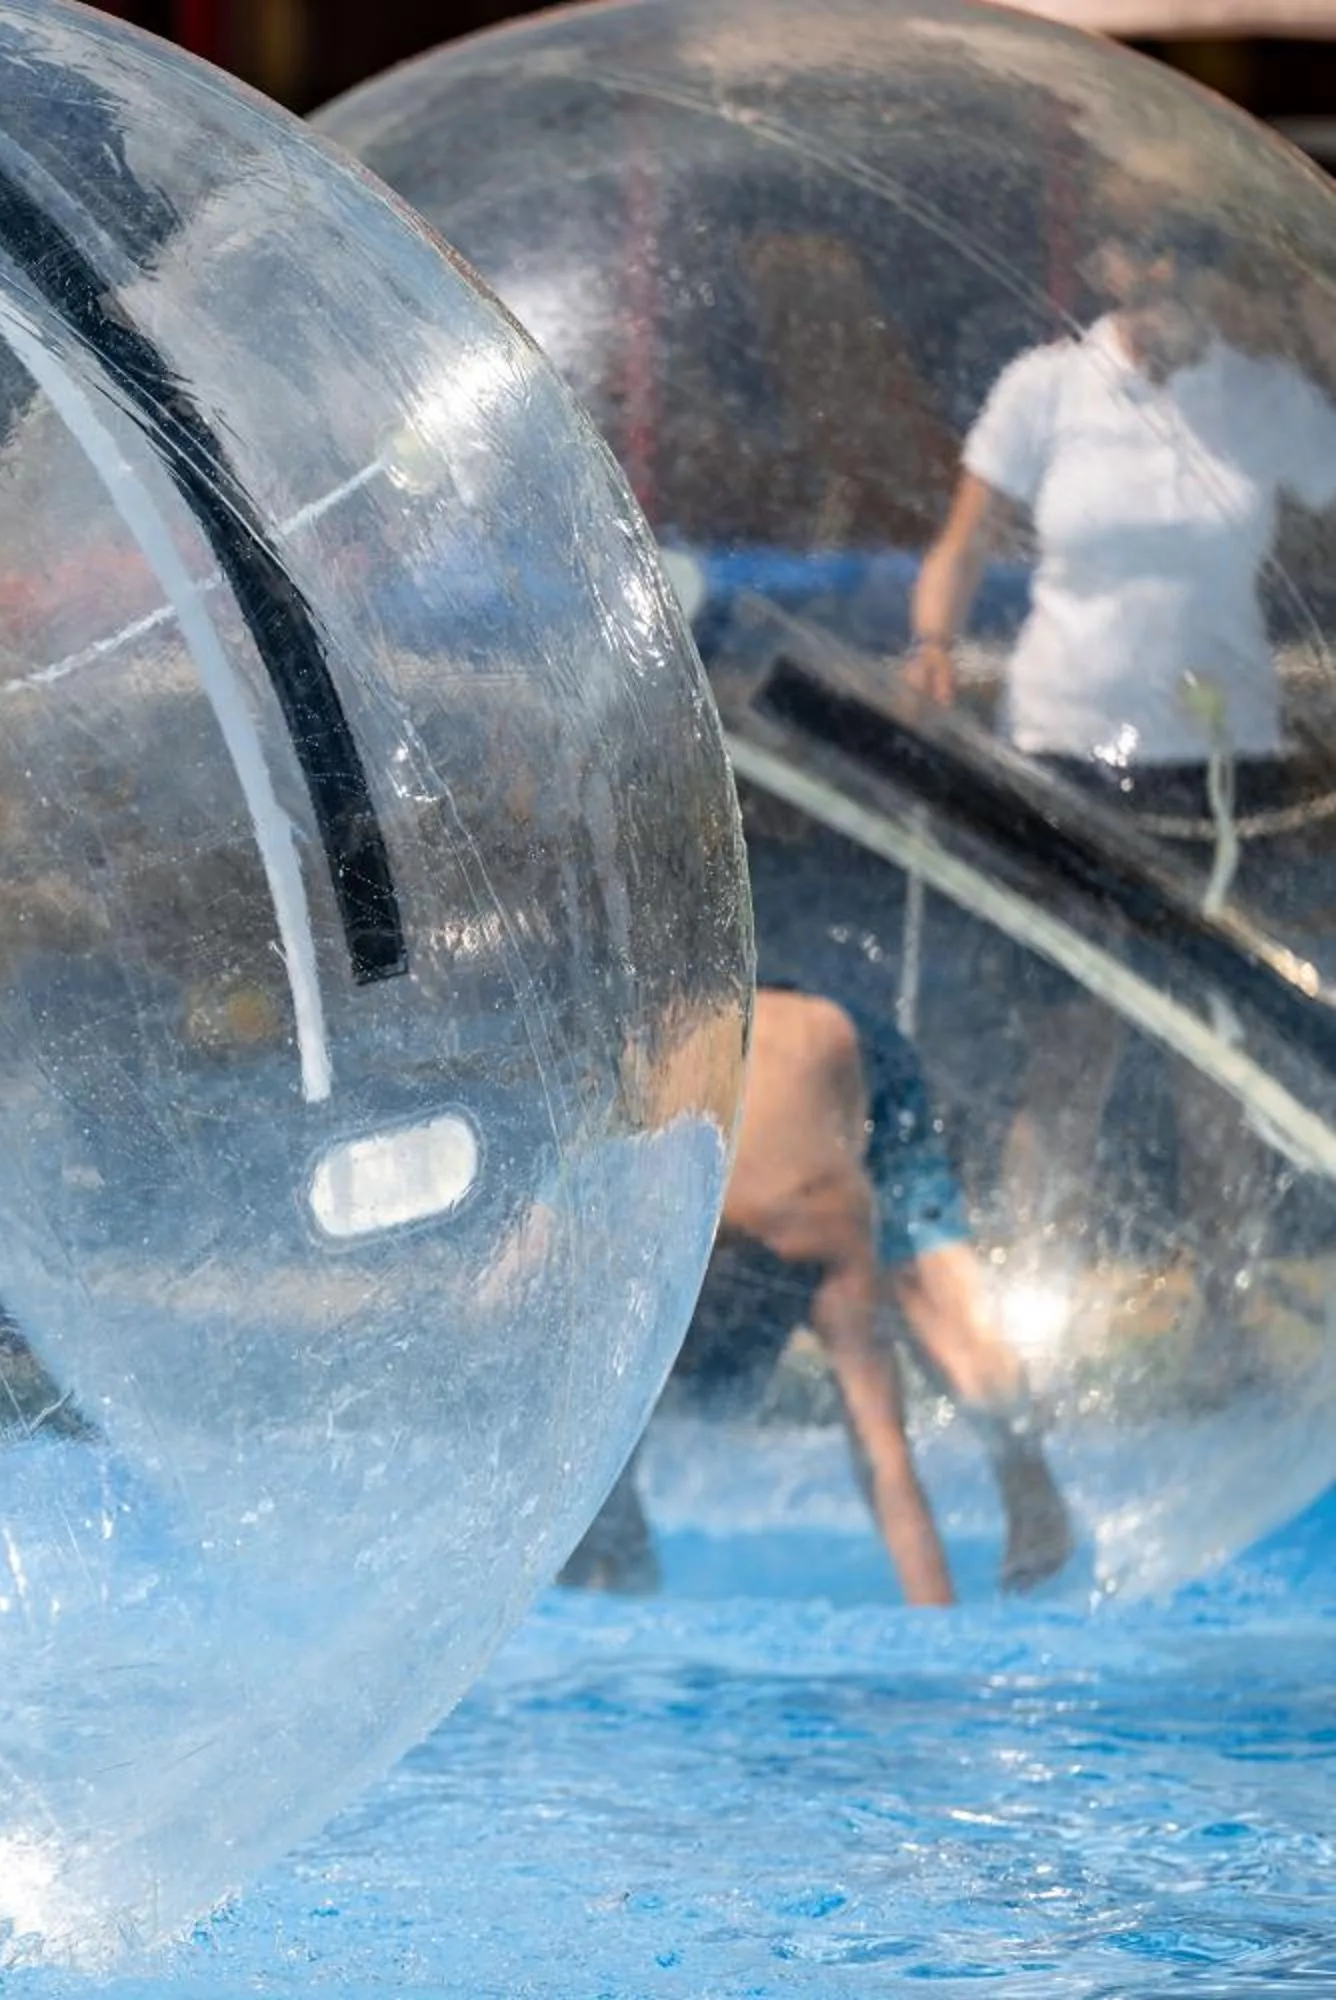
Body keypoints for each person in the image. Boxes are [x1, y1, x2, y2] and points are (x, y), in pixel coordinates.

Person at [906, 198, 1336, 1357]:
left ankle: (1232, 1302)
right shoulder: (1046, 387)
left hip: (1220, 765)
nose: (1161, 274)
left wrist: (1310, 319)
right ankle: (1028, 1295)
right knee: (1070, 1041)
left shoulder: (1258, 399)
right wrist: (935, 642)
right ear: (1104, 261)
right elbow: (963, 531)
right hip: (1066, 750)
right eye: (1143, 250)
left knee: (1218, 1048)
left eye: (1187, 250)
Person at [563, 990, 1073, 1604]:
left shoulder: (818, 1241)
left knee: (943, 1323)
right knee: (613, 1426)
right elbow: (886, 1459)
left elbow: (886, 1456)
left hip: (830, 1059)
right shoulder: (662, 1250)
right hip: (749, 1030)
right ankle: (1031, 1491)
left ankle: (1031, 1489)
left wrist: (938, 1625)